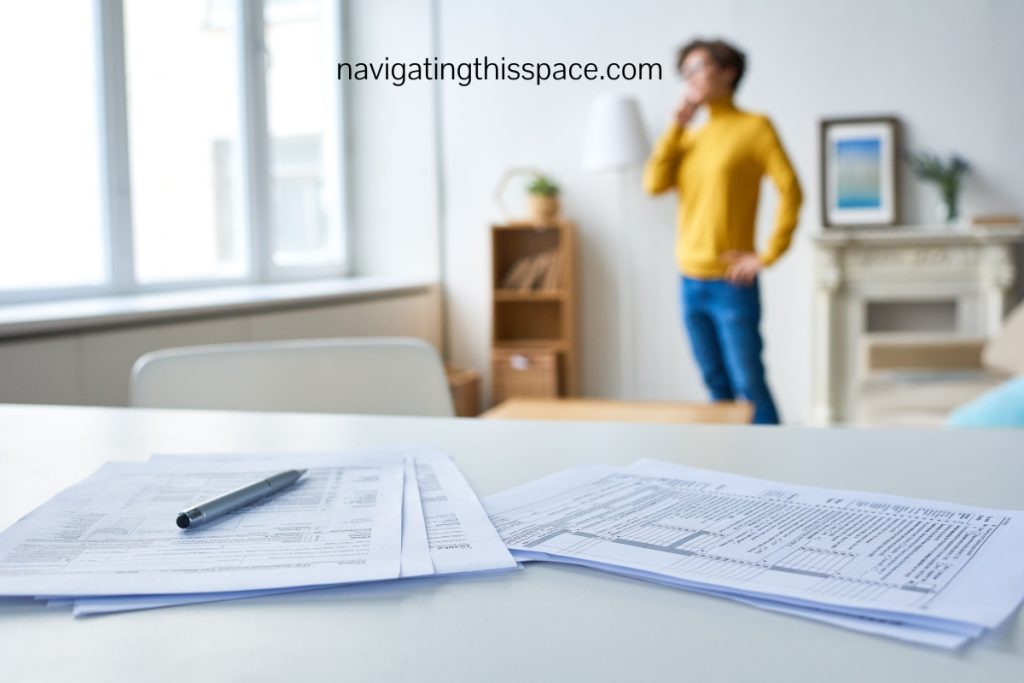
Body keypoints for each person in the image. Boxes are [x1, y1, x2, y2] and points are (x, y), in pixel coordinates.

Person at [643, 38, 802, 425]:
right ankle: (730, 474)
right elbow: (653, 183)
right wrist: (676, 126)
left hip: (731, 284)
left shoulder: (754, 128)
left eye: (698, 68)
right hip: (690, 280)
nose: (690, 79)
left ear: (728, 71)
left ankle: (776, 474)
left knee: (749, 384)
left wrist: (767, 253)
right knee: (716, 385)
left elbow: (791, 190)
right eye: (685, 73)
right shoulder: (690, 136)